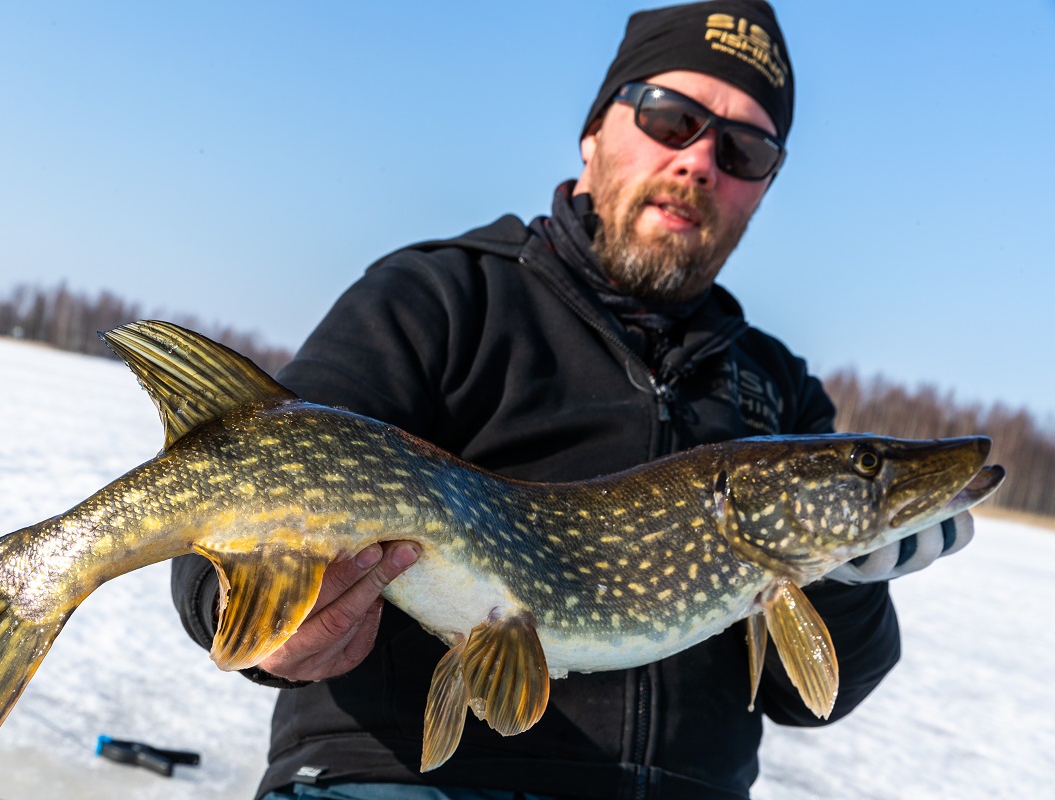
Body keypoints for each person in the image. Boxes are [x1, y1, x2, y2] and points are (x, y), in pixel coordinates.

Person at [172, 2, 973, 798]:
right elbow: (240, 475)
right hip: (403, 780)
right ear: (593, 132)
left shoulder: (780, 390)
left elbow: (813, 697)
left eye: (746, 149)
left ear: (763, 189)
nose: (701, 161)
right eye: (672, 118)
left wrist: (843, 577)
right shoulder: (440, 297)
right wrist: (255, 615)